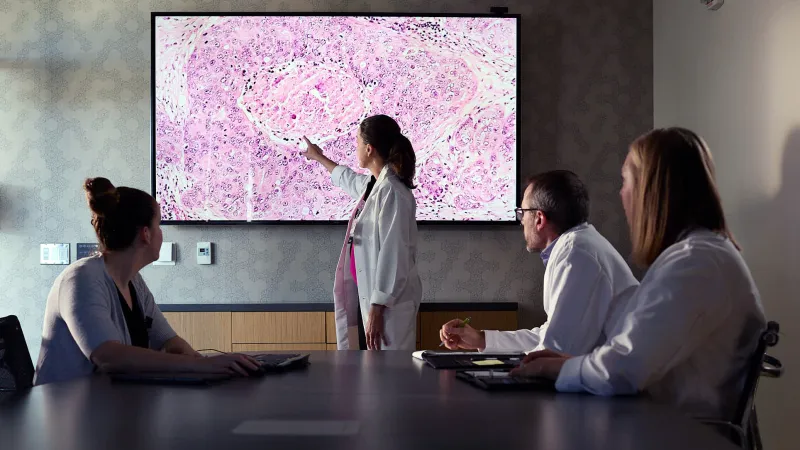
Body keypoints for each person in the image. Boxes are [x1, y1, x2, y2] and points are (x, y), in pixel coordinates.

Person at [513, 128, 766, 420]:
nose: (622, 194)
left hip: (678, 433)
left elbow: (623, 370)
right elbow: (631, 358)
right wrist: (571, 363)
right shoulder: (700, 256)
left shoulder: (695, 263)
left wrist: (555, 367)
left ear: (650, 190)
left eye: (626, 181)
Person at [34, 178, 259, 385]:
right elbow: (109, 357)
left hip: (109, 410)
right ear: (146, 234)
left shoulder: (134, 282)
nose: (161, 233)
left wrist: (219, 368)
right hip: (65, 418)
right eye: (158, 225)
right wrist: (204, 365)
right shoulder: (81, 279)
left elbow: (170, 342)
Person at [439, 170, 639, 355]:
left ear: (539, 219)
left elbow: (557, 350)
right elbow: (550, 336)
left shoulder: (576, 254)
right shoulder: (577, 246)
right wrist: (481, 339)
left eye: (523, 213)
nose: (521, 221)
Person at [302, 115, 422, 350]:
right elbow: (348, 180)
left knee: (388, 373)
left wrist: (378, 307)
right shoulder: (375, 186)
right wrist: (319, 157)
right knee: (372, 371)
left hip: (386, 306)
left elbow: (394, 254)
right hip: (369, 298)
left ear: (369, 149)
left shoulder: (392, 193)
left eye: (357, 142)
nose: (355, 148)